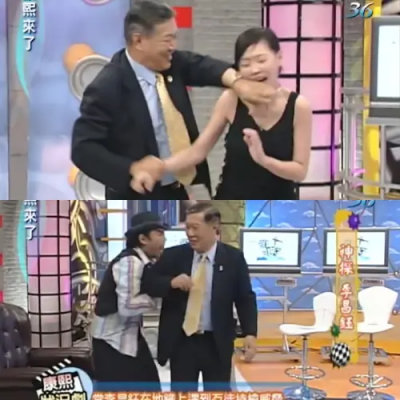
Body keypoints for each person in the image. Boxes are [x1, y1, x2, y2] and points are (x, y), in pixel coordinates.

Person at [71, 1, 278, 200]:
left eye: (175, 38)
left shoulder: (172, 63)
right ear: (138, 41)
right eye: (167, 39)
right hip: (140, 195)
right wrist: (131, 170)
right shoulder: (107, 86)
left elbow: (204, 67)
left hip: (185, 190)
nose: (173, 46)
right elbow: (83, 149)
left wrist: (238, 82)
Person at [132, 27, 313, 200]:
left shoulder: (299, 106)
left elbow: (300, 171)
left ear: (279, 58)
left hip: (278, 205)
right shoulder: (231, 99)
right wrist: (161, 166)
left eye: (261, 60)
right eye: (246, 64)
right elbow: (198, 151)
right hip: (230, 202)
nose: (255, 69)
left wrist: (263, 160)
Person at [141, 202, 258, 391]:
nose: (190, 233)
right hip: (182, 342)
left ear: (214, 228)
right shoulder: (173, 256)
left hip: (216, 342)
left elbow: (245, 298)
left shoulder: (233, 258)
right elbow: (149, 284)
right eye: (187, 227)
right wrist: (170, 283)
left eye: (195, 228)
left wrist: (250, 333)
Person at [91, 211, 190, 388]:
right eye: (159, 233)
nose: (165, 239)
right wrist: (164, 292)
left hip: (128, 338)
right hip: (112, 342)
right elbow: (127, 306)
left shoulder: (144, 262)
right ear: (143, 239)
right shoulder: (130, 262)